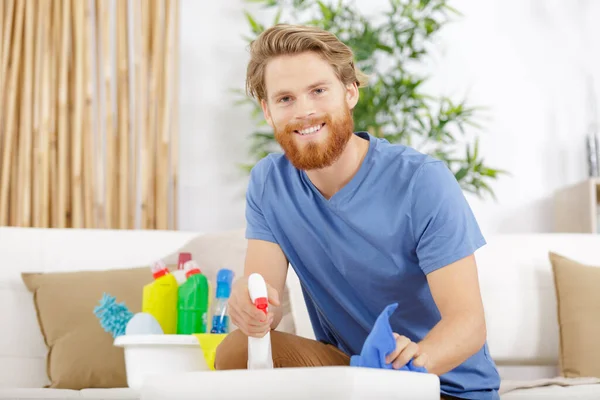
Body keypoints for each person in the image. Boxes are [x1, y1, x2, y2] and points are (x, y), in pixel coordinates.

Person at [215, 24, 501, 400]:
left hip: (439, 383)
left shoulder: (421, 181)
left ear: (349, 92)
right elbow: (261, 294)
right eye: (285, 99)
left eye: (318, 90)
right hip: (350, 376)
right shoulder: (270, 183)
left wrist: (416, 359)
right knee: (235, 350)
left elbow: (467, 323)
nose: (304, 110)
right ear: (268, 112)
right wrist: (250, 303)